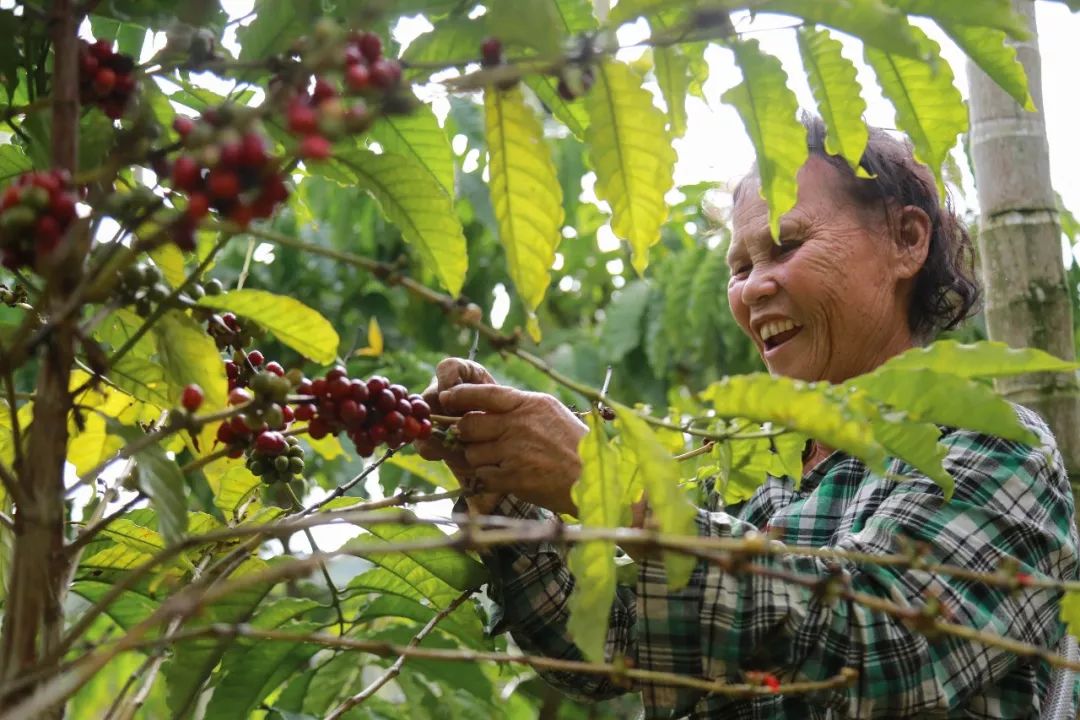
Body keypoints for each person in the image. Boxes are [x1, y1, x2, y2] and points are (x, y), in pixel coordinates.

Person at [415, 117, 1080, 719]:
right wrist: (499, 485)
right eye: (740, 265)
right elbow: (604, 653)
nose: (754, 287)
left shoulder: (992, 445)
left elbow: (884, 653)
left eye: (787, 245)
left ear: (907, 240)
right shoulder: (761, 485)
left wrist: (609, 483)